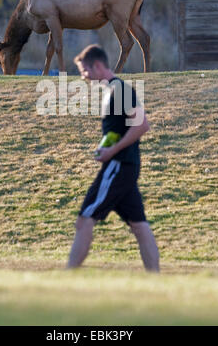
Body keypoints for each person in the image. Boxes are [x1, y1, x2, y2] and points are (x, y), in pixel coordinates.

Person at [67, 44, 159, 272]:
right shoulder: (112, 91)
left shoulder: (120, 90)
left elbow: (142, 125)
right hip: (124, 166)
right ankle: (156, 279)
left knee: (85, 218)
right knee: (139, 226)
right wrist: (106, 146)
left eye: (85, 71)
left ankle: (67, 275)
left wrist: (112, 150)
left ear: (97, 66)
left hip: (119, 166)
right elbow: (120, 129)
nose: (84, 77)